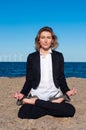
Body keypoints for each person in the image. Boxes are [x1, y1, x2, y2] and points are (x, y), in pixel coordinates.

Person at [14, 26, 77, 119]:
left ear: (52, 40)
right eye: (43, 37)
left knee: (70, 110)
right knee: (23, 113)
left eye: (48, 37)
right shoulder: (32, 57)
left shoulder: (58, 56)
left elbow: (61, 77)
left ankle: (33, 102)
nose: (46, 40)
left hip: (54, 97)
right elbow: (29, 80)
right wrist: (22, 93)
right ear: (38, 40)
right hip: (37, 95)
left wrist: (67, 91)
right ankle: (47, 104)